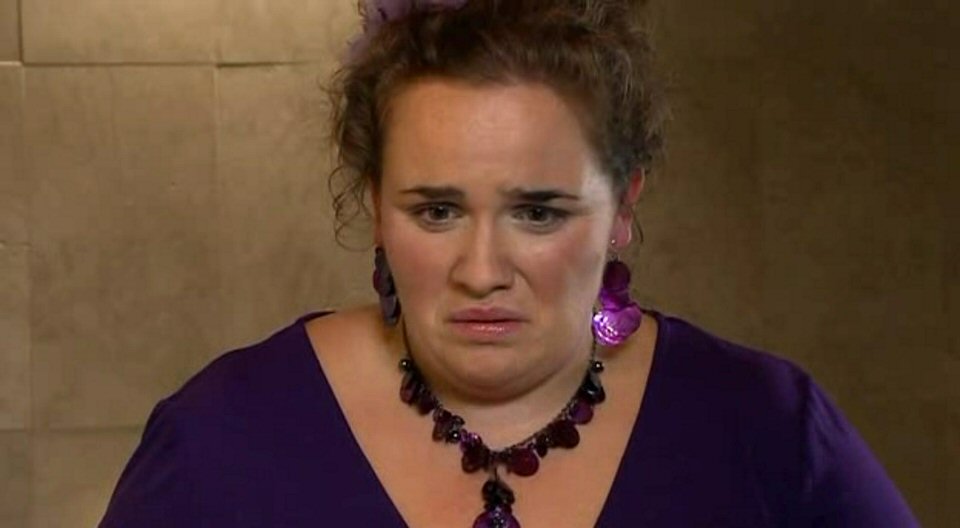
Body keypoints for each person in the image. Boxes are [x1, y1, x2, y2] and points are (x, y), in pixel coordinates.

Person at [99, 1, 919, 526]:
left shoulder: (771, 430)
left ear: (623, 207)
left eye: (538, 212)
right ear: (376, 207)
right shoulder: (221, 438)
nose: (482, 269)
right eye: (437, 211)